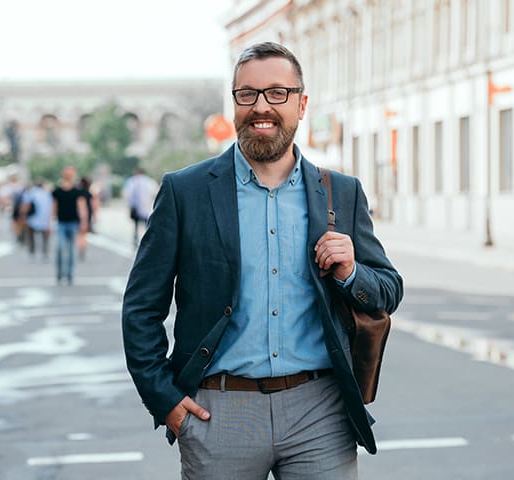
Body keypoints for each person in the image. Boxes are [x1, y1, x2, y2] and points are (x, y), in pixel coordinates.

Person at [122, 42, 403, 479]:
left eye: (277, 93)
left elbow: (388, 288)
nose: (261, 107)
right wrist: (165, 400)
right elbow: (142, 307)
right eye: (247, 94)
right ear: (234, 103)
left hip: (320, 411)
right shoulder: (186, 192)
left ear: (301, 104)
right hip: (219, 413)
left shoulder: (340, 192)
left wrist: (351, 272)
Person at [52, 166, 88, 284]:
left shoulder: (77, 191)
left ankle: (69, 274)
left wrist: (84, 221)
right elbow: (54, 207)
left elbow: (81, 207)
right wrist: (51, 221)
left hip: (73, 223)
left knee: (72, 249)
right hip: (61, 223)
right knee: (60, 247)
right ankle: (59, 273)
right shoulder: (57, 191)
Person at [20, 179, 53, 261]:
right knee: (45, 237)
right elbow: (51, 207)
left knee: (31, 236)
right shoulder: (47, 194)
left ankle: (32, 252)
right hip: (45, 219)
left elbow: (26, 205)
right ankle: (44, 253)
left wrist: (23, 216)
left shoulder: (31, 193)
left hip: (32, 219)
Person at [122, 167, 158, 245]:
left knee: (136, 225)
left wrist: (130, 205)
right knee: (147, 225)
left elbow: (128, 195)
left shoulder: (132, 181)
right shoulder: (150, 181)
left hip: (135, 207)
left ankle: (135, 239)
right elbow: (154, 193)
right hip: (147, 207)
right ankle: (148, 240)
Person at [76, 175, 97, 260]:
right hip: (87, 215)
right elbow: (94, 206)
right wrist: (95, 217)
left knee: (79, 234)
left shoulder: (77, 193)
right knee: (84, 234)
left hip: (78, 215)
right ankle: (82, 249)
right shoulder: (89, 193)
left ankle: (81, 248)